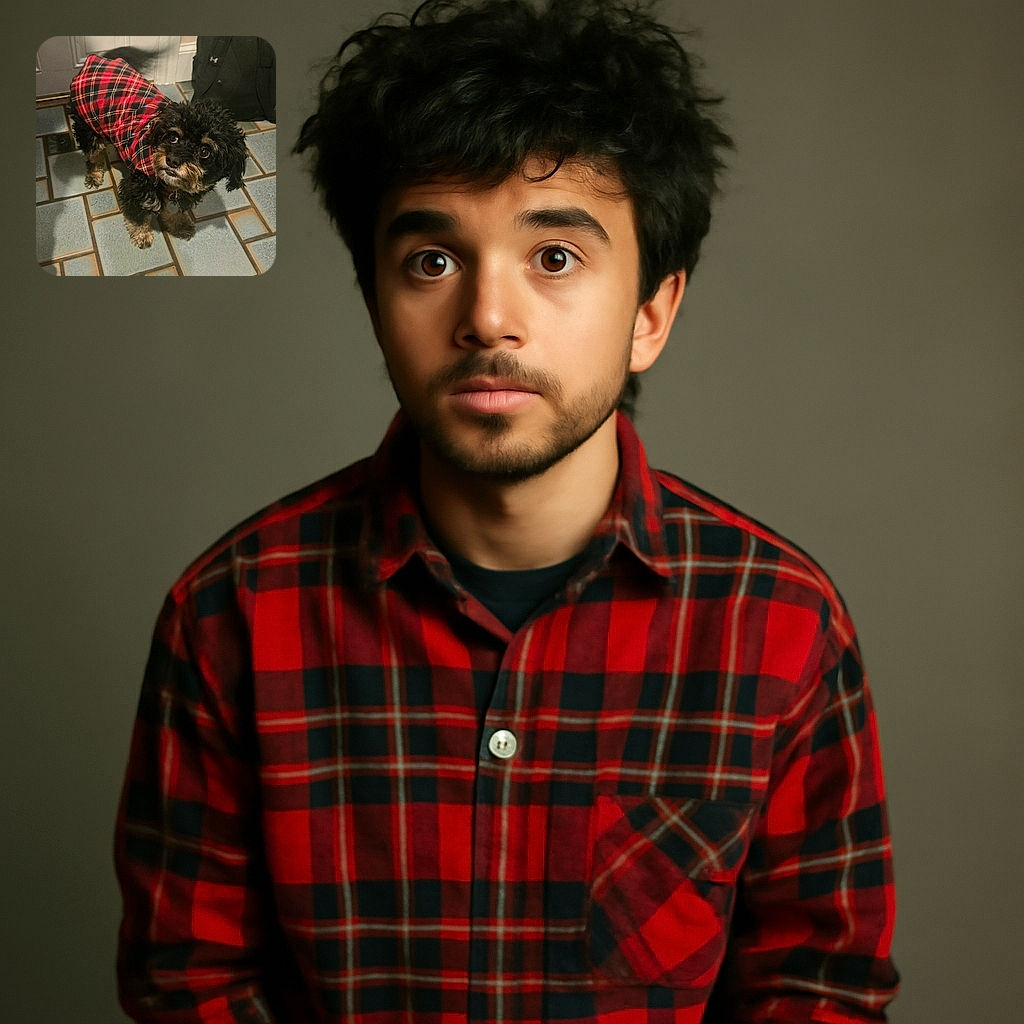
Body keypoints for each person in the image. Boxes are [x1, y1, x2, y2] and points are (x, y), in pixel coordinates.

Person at [115, 1, 899, 1021]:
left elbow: (819, 989)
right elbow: (189, 985)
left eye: (555, 257)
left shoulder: (783, 624)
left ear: (651, 313)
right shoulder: (233, 613)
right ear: (375, 305)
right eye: (431, 261)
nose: (487, 318)